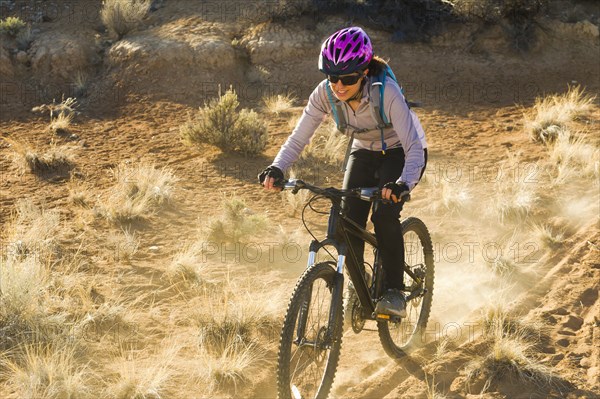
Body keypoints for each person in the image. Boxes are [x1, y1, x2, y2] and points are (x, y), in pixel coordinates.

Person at [259, 27, 427, 317]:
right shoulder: (324, 94)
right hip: (363, 149)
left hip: (401, 149)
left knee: (384, 213)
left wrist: (402, 184)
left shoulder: (386, 93)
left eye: (347, 78)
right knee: (345, 224)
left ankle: (395, 291)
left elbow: (413, 146)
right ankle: (359, 285)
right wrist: (277, 166)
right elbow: (299, 138)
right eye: (332, 76)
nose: (338, 85)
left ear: (363, 72)